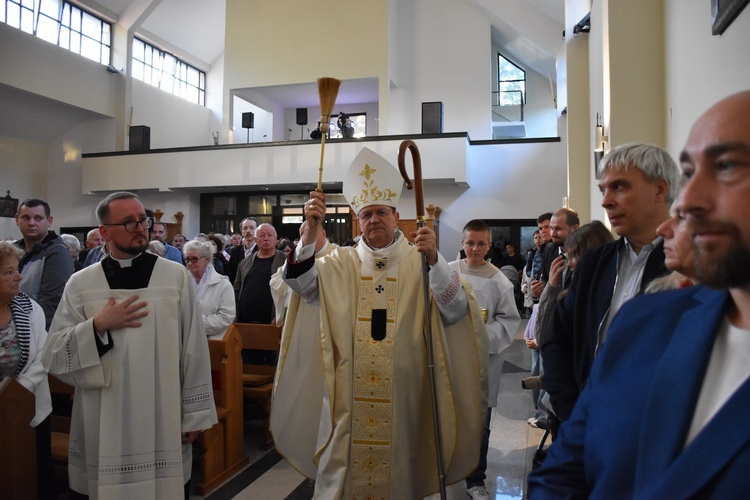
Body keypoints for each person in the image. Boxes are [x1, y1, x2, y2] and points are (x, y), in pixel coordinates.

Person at [529, 90, 750, 499]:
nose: (694, 200)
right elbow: (559, 334)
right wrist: (569, 406)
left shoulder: (679, 278)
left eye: (727, 166)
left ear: (660, 190)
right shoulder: (642, 312)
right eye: (692, 172)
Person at [276, 147, 487, 498]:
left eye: (382, 213)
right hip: (349, 394)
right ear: (358, 221)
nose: (374, 219)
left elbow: (456, 310)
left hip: (408, 394)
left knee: (402, 467)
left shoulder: (421, 260)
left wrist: (435, 260)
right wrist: (309, 236)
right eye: (367, 214)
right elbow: (302, 285)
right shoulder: (340, 263)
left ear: (396, 215)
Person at [42, 191, 217, 499]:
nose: (140, 227)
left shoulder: (175, 277)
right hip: (104, 413)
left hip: (163, 414)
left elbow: (194, 347)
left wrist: (195, 413)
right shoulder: (82, 283)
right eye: (128, 222)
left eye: (143, 220)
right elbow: (54, 354)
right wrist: (97, 327)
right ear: (104, 232)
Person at [541, 142, 680, 423]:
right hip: (591, 422)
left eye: (619, 187)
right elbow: (558, 339)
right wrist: (571, 412)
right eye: (603, 190)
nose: (606, 200)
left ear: (660, 190)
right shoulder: (595, 263)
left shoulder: (689, 264)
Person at [449, 219, 521, 499]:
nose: (475, 248)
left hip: (481, 361)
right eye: (470, 243)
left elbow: (508, 320)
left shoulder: (499, 280)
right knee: (447, 416)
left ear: (489, 245)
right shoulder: (449, 273)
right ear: (462, 243)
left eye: (481, 243)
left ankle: (475, 479)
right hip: (450, 356)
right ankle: (445, 469)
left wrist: (477, 336)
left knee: (479, 422)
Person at [0, 241, 54, 499]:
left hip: (30, 408)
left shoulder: (30, 309)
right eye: (8, 272)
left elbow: (44, 355)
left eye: (16, 270)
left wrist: (16, 392)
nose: (18, 276)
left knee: (31, 481)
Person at [14, 198, 74, 329]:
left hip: (37, 330)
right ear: (17, 219)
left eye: (38, 218)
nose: (31, 223)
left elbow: (51, 303)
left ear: (49, 221)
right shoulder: (13, 250)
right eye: (26, 218)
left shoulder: (57, 252)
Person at [183, 239, 235, 339]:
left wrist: (193, 323)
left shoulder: (223, 284)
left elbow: (226, 317)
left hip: (212, 341)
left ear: (206, 259)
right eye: (187, 259)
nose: (190, 263)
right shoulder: (182, 281)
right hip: (185, 338)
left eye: (194, 259)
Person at [226, 217, 258, 285]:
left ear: (257, 230)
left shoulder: (261, 250)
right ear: (241, 231)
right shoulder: (235, 251)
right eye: (245, 228)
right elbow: (231, 274)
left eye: (252, 228)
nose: (248, 231)